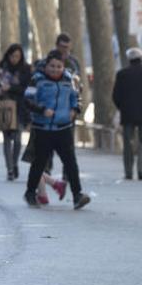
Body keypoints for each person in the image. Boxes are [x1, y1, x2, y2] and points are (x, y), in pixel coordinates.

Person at [23, 51, 90, 210]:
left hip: (63, 128)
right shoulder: (37, 80)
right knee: (39, 163)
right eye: (52, 66)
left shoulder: (69, 79)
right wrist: (42, 110)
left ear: (63, 67)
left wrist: (75, 109)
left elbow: (77, 98)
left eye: (59, 66)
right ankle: (30, 193)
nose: (55, 69)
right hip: (43, 128)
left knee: (70, 163)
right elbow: (27, 100)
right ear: (46, 66)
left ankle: (77, 195)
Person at [0, 44, 32, 181]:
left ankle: (15, 163)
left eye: (17, 56)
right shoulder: (2, 67)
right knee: (7, 139)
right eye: (12, 56)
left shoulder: (25, 69)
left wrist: (11, 87)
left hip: (19, 107)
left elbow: (26, 87)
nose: (15, 59)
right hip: (4, 107)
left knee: (18, 139)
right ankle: (10, 169)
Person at [112, 47, 142, 180]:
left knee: (128, 144)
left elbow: (115, 96)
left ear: (129, 59)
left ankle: (128, 172)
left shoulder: (121, 74)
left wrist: (122, 107)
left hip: (127, 114)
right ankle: (141, 171)